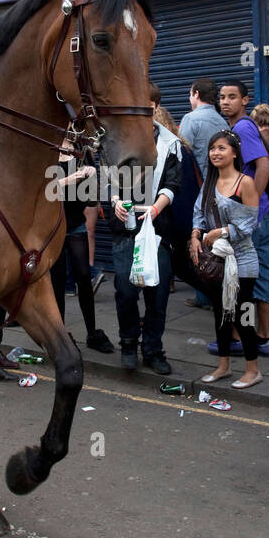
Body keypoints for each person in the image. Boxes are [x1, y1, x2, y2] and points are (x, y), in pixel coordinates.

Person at [109, 105, 181, 375]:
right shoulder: (116, 141)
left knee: (157, 293)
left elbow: (173, 184)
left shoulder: (170, 144)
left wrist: (156, 208)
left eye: (147, 107)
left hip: (157, 227)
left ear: (154, 108)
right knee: (125, 291)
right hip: (125, 228)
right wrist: (115, 201)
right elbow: (108, 180)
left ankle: (153, 349)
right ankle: (128, 344)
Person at [192, 130, 261, 390]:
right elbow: (198, 213)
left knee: (244, 315)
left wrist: (219, 232)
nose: (216, 153)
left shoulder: (245, 183)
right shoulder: (208, 184)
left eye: (221, 148)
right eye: (212, 148)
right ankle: (223, 365)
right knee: (221, 314)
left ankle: (253, 369)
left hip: (242, 259)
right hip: (217, 261)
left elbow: (249, 224)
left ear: (234, 153)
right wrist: (196, 235)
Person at [217, 80, 269, 356]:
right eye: (222, 97)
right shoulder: (238, 127)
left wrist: (251, 206)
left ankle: (257, 337)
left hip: (254, 219)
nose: (226, 101)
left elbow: (263, 165)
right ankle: (254, 336)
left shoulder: (241, 128)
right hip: (255, 216)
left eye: (232, 97)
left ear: (245, 101)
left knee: (253, 278)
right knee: (254, 276)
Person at [49, 142, 114, 354]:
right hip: (53, 225)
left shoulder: (81, 151)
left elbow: (90, 193)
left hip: (76, 221)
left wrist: (91, 173)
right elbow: (43, 188)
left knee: (84, 277)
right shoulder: (47, 147)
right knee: (57, 281)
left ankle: (92, 332)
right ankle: (61, 335)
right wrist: (72, 178)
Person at [177, 78, 228, 310]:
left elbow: (181, 152)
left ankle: (203, 295)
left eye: (190, 94)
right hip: (219, 189)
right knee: (214, 241)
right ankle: (216, 289)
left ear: (196, 94)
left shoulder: (190, 119)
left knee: (196, 241)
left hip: (197, 190)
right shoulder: (222, 120)